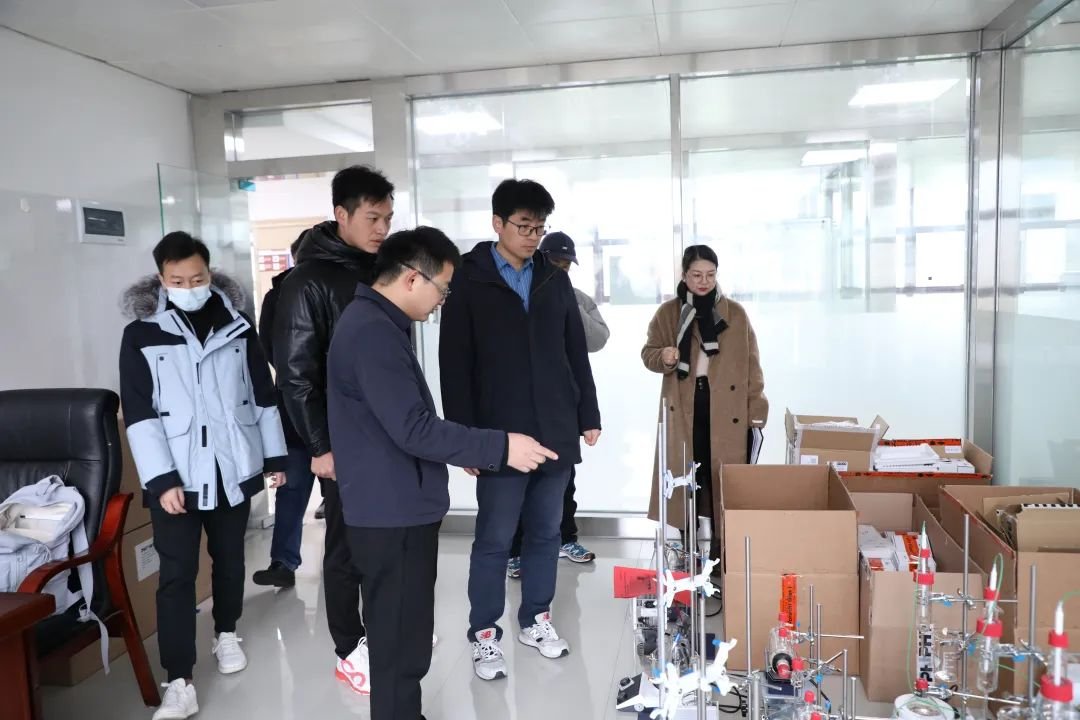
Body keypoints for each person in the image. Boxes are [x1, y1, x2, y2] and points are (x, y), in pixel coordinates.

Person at [327, 226, 558, 720]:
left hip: (394, 502)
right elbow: (413, 428)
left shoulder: (377, 322)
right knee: (398, 646)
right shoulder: (371, 332)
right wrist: (501, 446)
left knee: (405, 640)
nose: (442, 301)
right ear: (413, 278)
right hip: (390, 512)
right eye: (443, 289)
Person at [119, 232, 288, 720]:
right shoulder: (142, 334)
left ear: (209, 273)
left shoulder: (238, 327)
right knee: (176, 575)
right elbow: (140, 414)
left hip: (233, 464)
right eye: (177, 280)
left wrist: (275, 458)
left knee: (230, 559)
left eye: (197, 278)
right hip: (177, 476)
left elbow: (263, 396)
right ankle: (179, 680)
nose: (189, 287)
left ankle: (226, 633)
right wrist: (161, 479)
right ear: (161, 279)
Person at [439, 178, 602, 681]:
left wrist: (589, 413)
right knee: (494, 537)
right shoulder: (468, 279)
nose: (533, 237)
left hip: (554, 426)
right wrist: (464, 438)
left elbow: (574, 350)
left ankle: (535, 618)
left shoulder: (553, 278)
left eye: (540, 228)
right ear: (498, 223)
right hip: (499, 434)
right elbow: (454, 362)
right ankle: (484, 634)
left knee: (547, 532)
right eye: (524, 227)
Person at [273, 165, 394, 694]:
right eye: (372, 218)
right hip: (341, 440)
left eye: (388, 218)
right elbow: (295, 375)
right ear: (341, 214)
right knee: (346, 544)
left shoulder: (380, 270)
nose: (382, 229)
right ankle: (349, 647)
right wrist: (319, 448)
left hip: (386, 430)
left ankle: (381, 631)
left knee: (383, 539)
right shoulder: (307, 281)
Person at [642, 244, 768, 552]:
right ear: (684, 275)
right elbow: (648, 354)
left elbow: (752, 366)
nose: (704, 281)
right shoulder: (669, 313)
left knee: (720, 478)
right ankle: (688, 544)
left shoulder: (735, 313)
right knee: (687, 474)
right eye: (697, 275)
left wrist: (756, 412)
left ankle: (720, 549)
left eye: (711, 275)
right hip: (685, 406)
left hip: (725, 408)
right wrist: (665, 356)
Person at [507, 231, 609, 577]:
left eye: (566, 265)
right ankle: (515, 551)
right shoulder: (519, 292)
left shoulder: (575, 297)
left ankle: (566, 538)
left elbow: (597, 340)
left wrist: (566, 302)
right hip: (521, 404)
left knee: (564, 480)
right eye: (556, 262)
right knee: (519, 480)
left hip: (562, 405)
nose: (561, 269)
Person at [252, 234, 320, 589]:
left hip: (330, 410)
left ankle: (344, 563)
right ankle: (283, 561)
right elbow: (268, 345)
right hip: (293, 408)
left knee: (340, 494)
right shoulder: (278, 294)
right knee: (291, 488)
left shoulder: (332, 288)